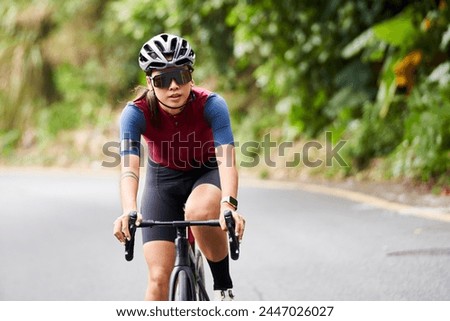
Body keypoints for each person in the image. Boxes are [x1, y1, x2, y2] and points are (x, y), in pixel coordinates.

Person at [113, 33, 245, 301]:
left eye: (180, 76)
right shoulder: (135, 112)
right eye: (162, 79)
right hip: (162, 180)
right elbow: (130, 167)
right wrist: (129, 209)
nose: (173, 86)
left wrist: (228, 205)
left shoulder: (212, 104)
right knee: (158, 279)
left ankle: (223, 289)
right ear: (150, 83)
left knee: (198, 210)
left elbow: (227, 158)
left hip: (206, 171)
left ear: (191, 77)